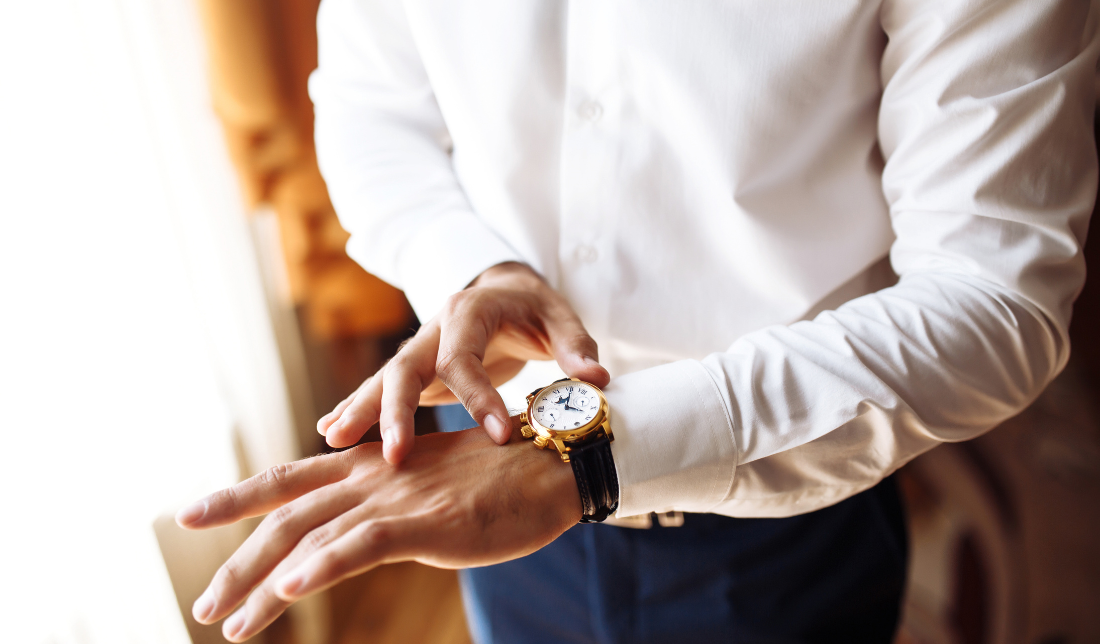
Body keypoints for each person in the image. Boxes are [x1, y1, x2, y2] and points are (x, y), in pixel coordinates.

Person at [175, 1, 1099, 642]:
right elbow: (369, 107)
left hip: (781, 522)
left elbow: (995, 298)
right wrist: (469, 267)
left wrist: (585, 459)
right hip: (478, 473)